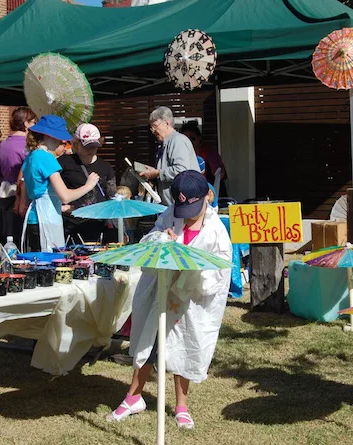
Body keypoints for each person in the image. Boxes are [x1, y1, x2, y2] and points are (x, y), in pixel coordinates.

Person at [106, 170, 232, 429]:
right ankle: (134, 396)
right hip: (161, 292)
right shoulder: (169, 214)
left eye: (193, 209)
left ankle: (181, 406)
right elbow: (151, 240)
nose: (186, 216)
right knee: (148, 343)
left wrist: (188, 263)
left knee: (184, 346)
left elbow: (218, 274)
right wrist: (163, 240)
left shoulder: (216, 232)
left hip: (191, 299)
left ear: (207, 197)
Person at [21, 115, 99, 252]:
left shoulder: (31, 156)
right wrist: (88, 185)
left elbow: (28, 190)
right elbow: (65, 196)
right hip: (45, 219)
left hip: (34, 219)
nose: (61, 141)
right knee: (51, 264)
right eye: (59, 137)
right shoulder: (46, 157)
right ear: (49, 136)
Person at [0, 106, 37, 247]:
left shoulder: (4, 144)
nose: (35, 126)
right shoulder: (28, 146)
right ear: (26, 124)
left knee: (9, 236)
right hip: (24, 197)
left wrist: (2, 182)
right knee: (23, 239)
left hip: (5, 194)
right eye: (33, 123)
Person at [58, 123, 117, 243]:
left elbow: (112, 197)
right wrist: (61, 207)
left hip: (99, 223)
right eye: (86, 146)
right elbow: (53, 190)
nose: (90, 150)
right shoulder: (63, 162)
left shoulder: (105, 167)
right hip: (72, 223)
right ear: (76, 143)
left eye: (94, 146)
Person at [139, 106, 199, 205]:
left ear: (166, 123)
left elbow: (181, 170)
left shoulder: (177, 141)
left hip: (184, 205)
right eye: (151, 128)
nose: (153, 131)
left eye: (155, 126)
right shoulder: (165, 144)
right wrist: (152, 172)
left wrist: (158, 173)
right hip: (175, 206)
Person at [181, 120, 228, 196]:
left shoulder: (210, 154)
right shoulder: (181, 155)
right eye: (186, 140)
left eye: (192, 139)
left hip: (211, 193)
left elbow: (220, 175)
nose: (189, 142)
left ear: (199, 138)